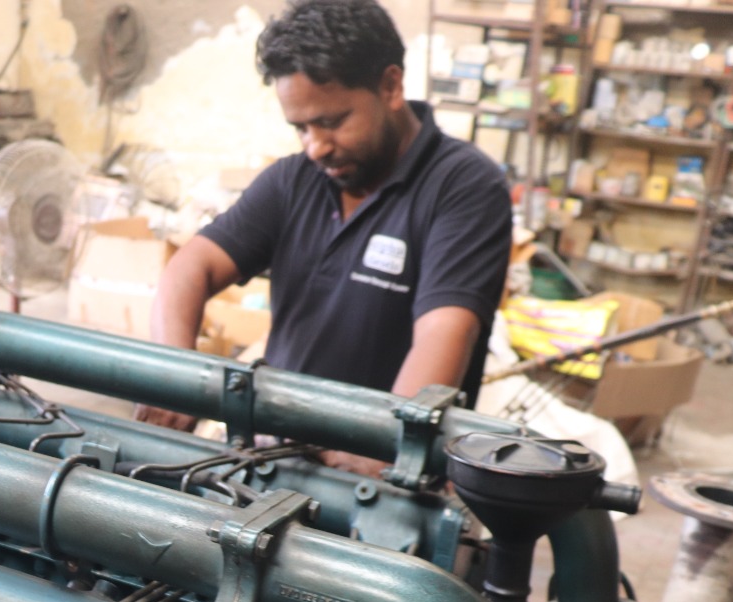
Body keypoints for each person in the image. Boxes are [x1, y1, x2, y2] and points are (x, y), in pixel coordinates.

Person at [145, 0, 513, 473]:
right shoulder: (292, 181)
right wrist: (175, 380)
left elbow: (445, 332)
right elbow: (188, 268)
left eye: (332, 122)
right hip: (273, 458)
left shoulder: (464, 187)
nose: (315, 146)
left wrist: (384, 448)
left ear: (391, 86)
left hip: (378, 477)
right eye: (300, 128)